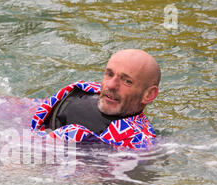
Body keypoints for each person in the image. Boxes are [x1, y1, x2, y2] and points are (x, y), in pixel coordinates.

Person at [31, 49, 160, 149]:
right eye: (109, 74)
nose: (110, 85)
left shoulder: (136, 143)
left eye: (127, 81)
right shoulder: (85, 90)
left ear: (148, 94)